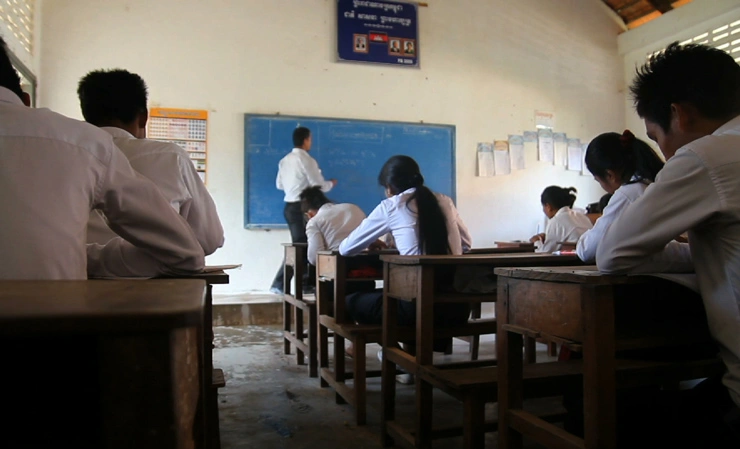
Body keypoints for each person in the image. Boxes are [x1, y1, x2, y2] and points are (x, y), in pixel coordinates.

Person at [597, 42, 740, 446]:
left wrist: (683, 253)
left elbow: (611, 255)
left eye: (656, 136)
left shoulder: (705, 155)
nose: (662, 151)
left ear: (679, 113)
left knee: (627, 419)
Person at [0, 36, 204, 279]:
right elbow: (187, 253)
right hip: (52, 313)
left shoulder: (86, 143)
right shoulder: (84, 144)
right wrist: (83, 257)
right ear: (26, 101)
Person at [338, 156, 472, 381]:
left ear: (389, 187)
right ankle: (409, 361)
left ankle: (396, 355)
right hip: (456, 309)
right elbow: (467, 244)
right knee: (411, 296)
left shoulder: (392, 205)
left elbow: (346, 249)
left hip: (416, 312)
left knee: (352, 300)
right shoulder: (445, 201)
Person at [78, 69, 224, 255]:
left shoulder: (68, 157)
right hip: (159, 281)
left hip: (78, 277)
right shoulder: (171, 157)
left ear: (87, 115)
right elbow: (209, 239)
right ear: (143, 117)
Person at [576, 130, 666, 262]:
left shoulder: (629, 193)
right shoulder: (653, 183)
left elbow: (588, 250)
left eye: (598, 180)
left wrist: (583, 239)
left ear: (610, 175)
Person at [271, 127, 337, 294]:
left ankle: (295, 285)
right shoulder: (306, 160)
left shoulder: (285, 160)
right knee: (304, 247)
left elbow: (279, 185)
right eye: (310, 139)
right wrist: (330, 184)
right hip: (302, 207)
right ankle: (288, 284)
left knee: (301, 246)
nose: (311, 142)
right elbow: (318, 184)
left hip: (289, 207)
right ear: (306, 140)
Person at [301, 186, 365, 266]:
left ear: (309, 214)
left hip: (339, 266)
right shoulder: (353, 207)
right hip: (367, 263)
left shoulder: (314, 221)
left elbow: (314, 259)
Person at [530, 186, 592, 253]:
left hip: (570, 261)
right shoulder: (582, 216)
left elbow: (544, 252)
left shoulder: (556, 220)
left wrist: (536, 241)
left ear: (548, 207)